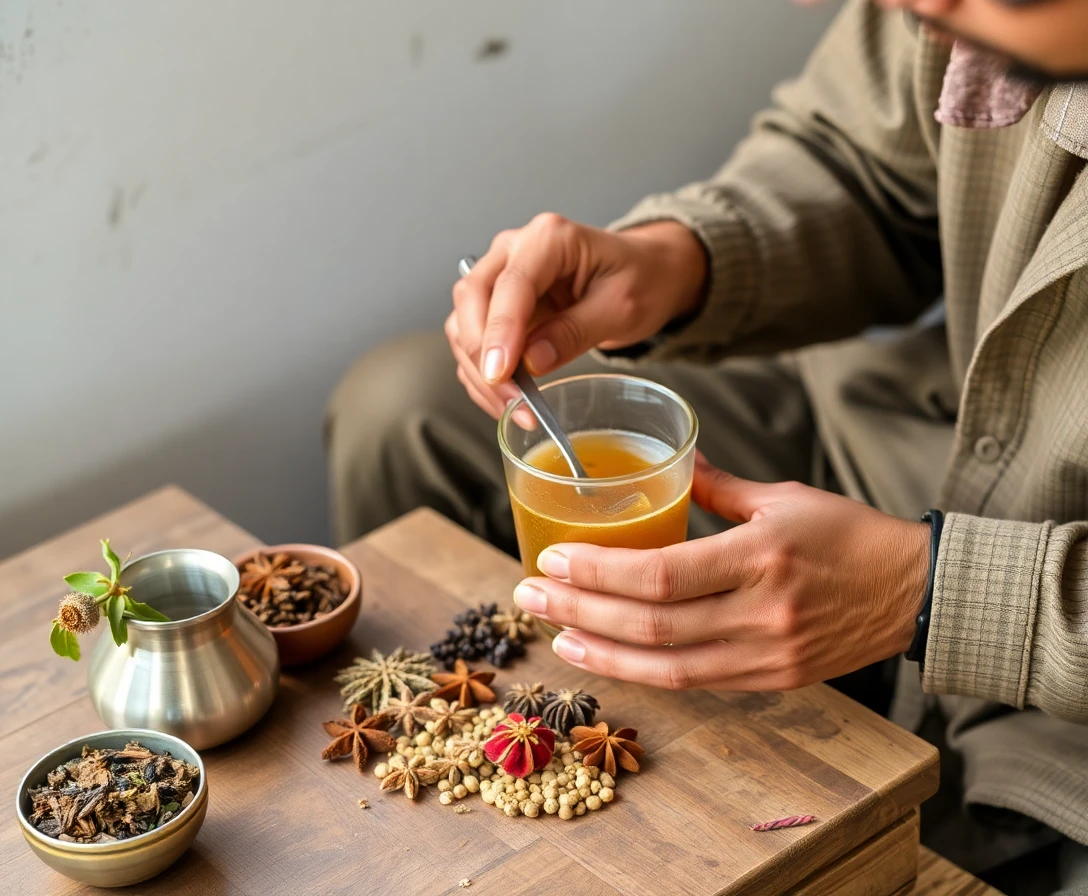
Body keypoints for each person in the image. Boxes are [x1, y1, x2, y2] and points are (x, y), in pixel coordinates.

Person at [326, 0, 1088, 890]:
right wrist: (682, 262)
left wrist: (943, 595)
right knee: (405, 408)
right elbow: (867, 163)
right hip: (917, 431)